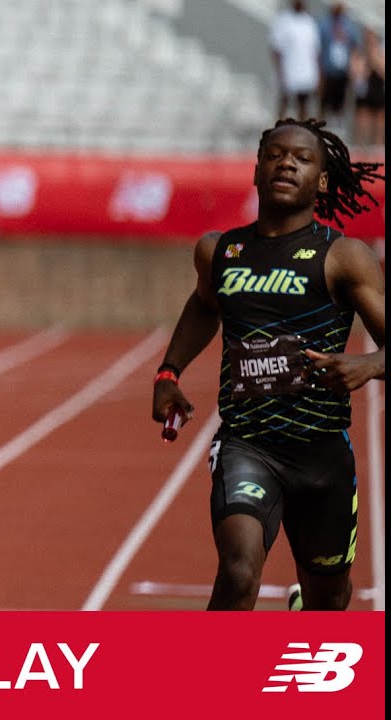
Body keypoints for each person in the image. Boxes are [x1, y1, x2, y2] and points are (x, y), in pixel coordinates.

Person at [151, 118, 384, 611]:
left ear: (322, 181)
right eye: (276, 155)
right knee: (238, 571)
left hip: (321, 453)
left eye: (301, 158)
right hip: (247, 443)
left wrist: (367, 365)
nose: (286, 164)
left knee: (329, 599)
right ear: (256, 170)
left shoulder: (343, 257)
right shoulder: (221, 251)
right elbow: (203, 305)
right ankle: (207, 684)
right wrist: (168, 373)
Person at [270, 0, 322, 120]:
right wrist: (280, 73)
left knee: (303, 106)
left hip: (306, 74)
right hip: (289, 72)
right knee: (284, 104)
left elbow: (315, 51)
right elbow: (276, 50)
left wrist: (318, 75)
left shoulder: (309, 22)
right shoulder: (283, 21)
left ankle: (301, 132)